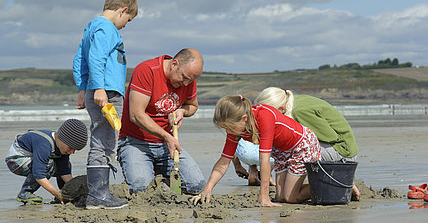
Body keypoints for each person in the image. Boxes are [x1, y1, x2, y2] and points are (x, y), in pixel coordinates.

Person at [72, 0, 138, 209]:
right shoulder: (106, 28)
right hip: (106, 92)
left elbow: (80, 58)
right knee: (105, 142)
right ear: (123, 10)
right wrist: (99, 88)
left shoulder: (91, 27)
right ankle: (99, 196)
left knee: (101, 139)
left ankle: (99, 193)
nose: (125, 25)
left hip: (96, 89)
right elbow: (96, 57)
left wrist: (83, 88)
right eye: (127, 20)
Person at [191, 95, 321, 207]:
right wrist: (207, 189)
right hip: (282, 151)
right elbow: (224, 161)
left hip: (302, 145)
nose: (228, 132)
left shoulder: (264, 116)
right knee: (281, 197)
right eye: (225, 128)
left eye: (229, 127)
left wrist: (264, 196)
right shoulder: (235, 129)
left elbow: (264, 158)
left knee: (290, 198)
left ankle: (330, 186)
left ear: (244, 118)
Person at [117, 48, 206, 194]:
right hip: (136, 142)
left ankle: (159, 172)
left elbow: (192, 106)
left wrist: (182, 111)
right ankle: (144, 171)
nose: (185, 84)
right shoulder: (147, 70)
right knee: (142, 189)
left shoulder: (189, 80)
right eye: (183, 77)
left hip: (167, 145)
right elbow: (136, 115)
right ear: (174, 64)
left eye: (190, 80)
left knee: (197, 186)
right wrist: (166, 136)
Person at [255, 87, 361, 200]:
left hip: (341, 149)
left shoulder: (299, 111)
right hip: (332, 146)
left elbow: (330, 136)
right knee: (282, 195)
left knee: (298, 150)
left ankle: (341, 184)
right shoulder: (291, 101)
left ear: (281, 109)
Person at [5, 118, 88, 204]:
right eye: (71, 148)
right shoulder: (44, 144)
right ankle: (25, 192)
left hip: (32, 158)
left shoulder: (62, 148)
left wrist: (75, 189)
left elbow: (64, 171)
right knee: (48, 165)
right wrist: (55, 192)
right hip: (17, 160)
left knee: (67, 165)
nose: (72, 152)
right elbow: (39, 174)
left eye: (75, 150)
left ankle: (65, 192)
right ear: (62, 139)